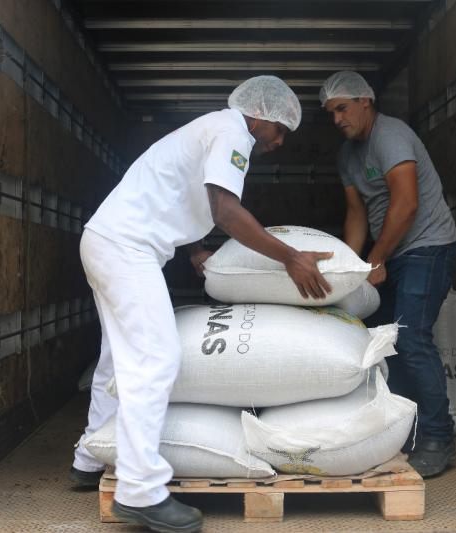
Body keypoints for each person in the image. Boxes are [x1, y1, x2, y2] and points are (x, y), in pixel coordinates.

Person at [69, 76, 333, 533]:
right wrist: (290, 257)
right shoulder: (233, 133)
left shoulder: (211, 128)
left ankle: (89, 458)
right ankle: (140, 491)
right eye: (281, 129)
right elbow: (225, 211)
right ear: (261, 115)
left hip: (109, 241)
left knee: (117, 361)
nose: (280, 141)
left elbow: (180, 194)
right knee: (156, 358)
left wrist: (194, 252)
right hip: (126, 248)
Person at [320, 71, 456, 478]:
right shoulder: (348, 156)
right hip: (393, 251)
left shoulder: (390, 135)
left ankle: (439, 437)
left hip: (428, 246)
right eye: (331, 113)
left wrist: (377, 259)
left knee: (412, 336)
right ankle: (405, 429)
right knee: (384, 342)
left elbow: (407, 203)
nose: (337, 120)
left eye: (342, 109)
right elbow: (356, 214)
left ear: (366, 101)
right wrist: (353, 266)